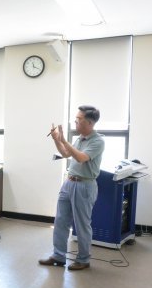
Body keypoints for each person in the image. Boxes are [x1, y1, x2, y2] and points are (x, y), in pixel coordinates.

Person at [39, 105, 104, 271]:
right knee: (60, 221)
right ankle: (58, 256)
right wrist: (56, 139)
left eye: (78, 119)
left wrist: (64, 140)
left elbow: (81, 158)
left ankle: (83, 259)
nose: (75, 122)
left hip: (85, 185)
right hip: (69, 183)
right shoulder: (80, 138)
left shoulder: (98, 141)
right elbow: (66, 154)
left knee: (82, 224)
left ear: (89, 122)